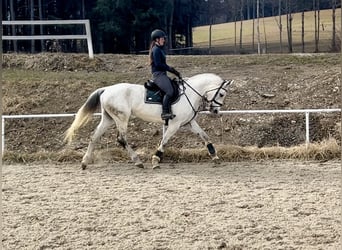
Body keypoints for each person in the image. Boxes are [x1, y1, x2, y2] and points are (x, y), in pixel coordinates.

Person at [149, 29, 181, 120]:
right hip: (158, 75)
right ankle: (165, 112)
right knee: (169, 91)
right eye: (162, 38)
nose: (164, 40)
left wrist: (173, 71)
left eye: (163, 38)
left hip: (162, 74)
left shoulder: (160, 49)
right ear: (156, 40)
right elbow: (159, 64)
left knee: (174, 87)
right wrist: (172, 70)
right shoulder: (156, 50)